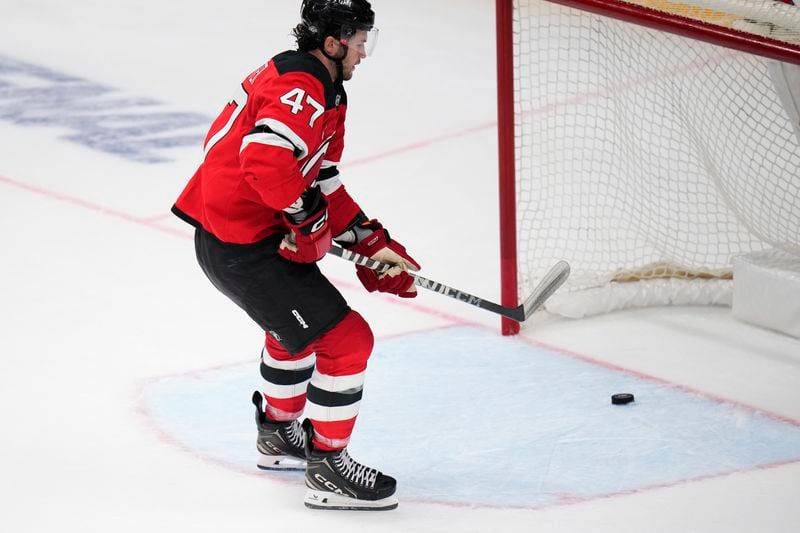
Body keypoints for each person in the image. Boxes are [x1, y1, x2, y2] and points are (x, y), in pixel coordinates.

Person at [171, 0, 419, 511]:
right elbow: (263, 162)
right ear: (334, 41)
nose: (364, 53)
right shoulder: (301, 87)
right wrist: (310, 221)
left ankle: (279, 435)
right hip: (241, 246)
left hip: (238, 237)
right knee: (348, 341)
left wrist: (370, 240)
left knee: (296, 331)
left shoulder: (323, 86)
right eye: (359, 41)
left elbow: (319, 177)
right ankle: (329, 468)